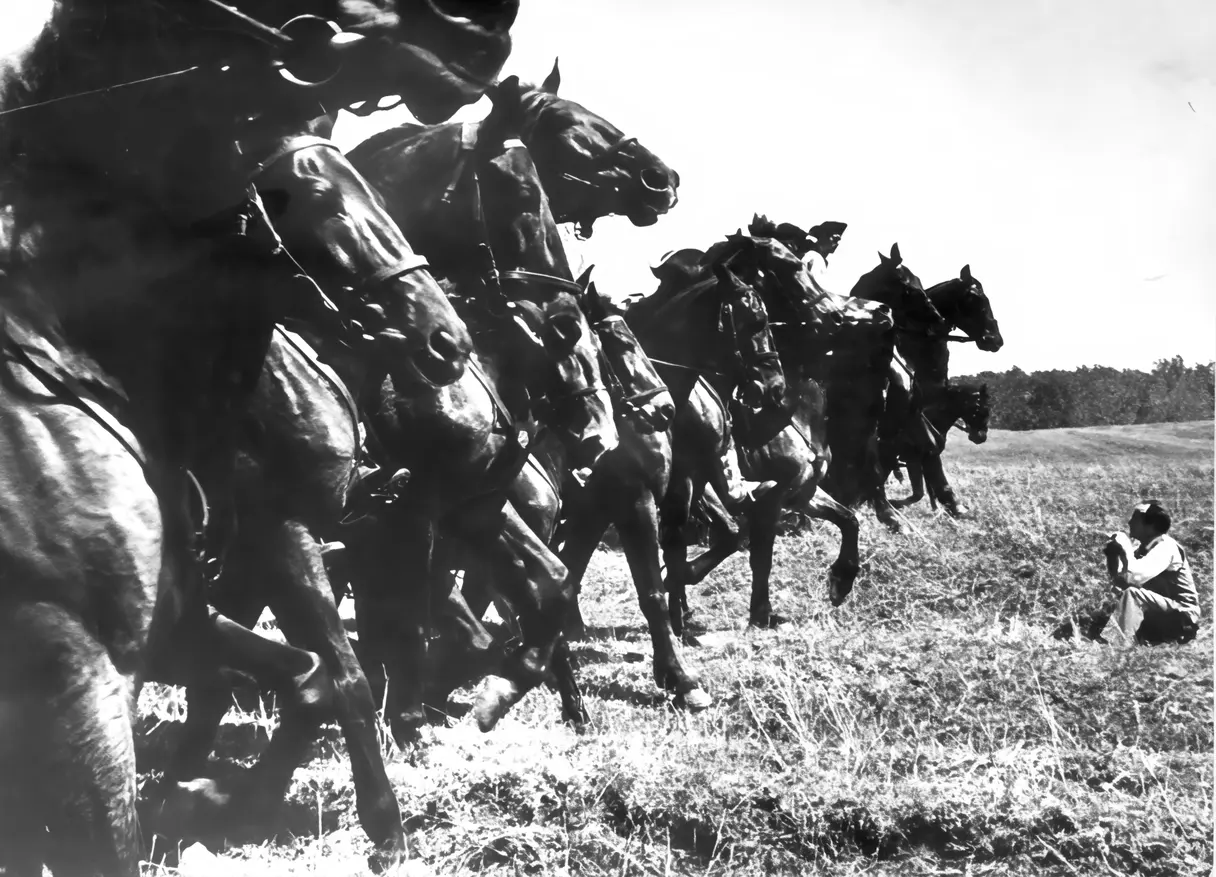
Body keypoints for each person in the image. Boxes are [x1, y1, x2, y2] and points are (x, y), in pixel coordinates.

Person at [1097, 500, 1201, 645]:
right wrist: (1113, 556)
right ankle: (1100, 634)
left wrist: (1125, 545)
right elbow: (1122, 580)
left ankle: (1119, 646)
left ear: (1150, 525)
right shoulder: (1143, 548)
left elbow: (1134, 577)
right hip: (1159, 614)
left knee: (1131, 594)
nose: (1129, 522)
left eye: (1135, 519)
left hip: (1182, 616)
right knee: (1120, 592)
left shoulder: (1166, 547)